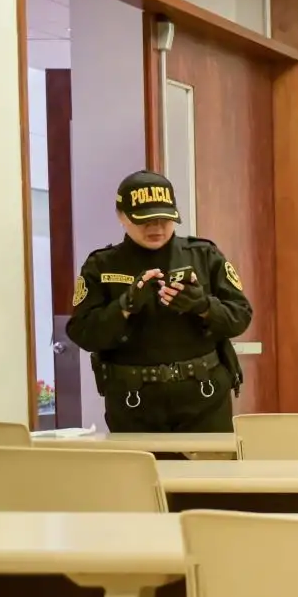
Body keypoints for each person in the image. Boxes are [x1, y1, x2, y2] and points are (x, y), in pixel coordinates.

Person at [67, 171, 251, 432]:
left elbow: (241, 316)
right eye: (145, 220)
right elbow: (83, 333)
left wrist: (204, 307)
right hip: (134, 404)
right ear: (122, 216)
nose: (156, 227)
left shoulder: (204, 256)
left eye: (164, 219)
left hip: (204, 398)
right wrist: (124, 307)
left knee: (211, 473)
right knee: (140, 474)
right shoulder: (102, 265)